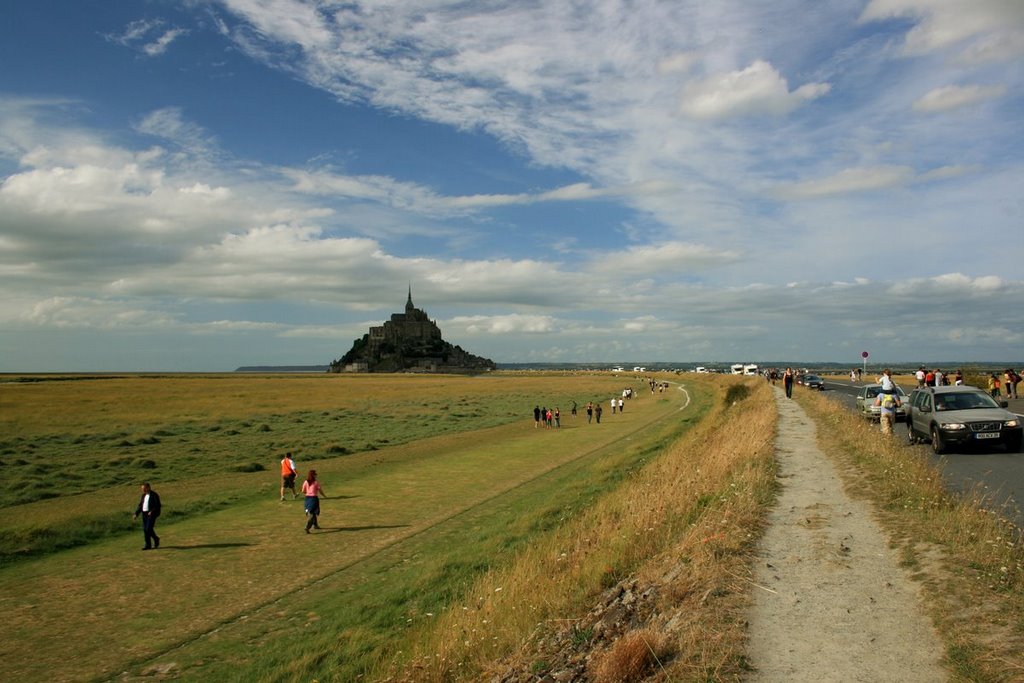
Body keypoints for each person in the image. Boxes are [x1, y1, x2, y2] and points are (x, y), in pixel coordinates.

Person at [133, 482, 161, 550]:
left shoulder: (154, 495)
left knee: (148, 529)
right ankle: (148, 545)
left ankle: (156, 539)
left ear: (148, 488)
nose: (143, 490)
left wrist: (152, 511)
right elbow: (140, 505)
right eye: (142, 489)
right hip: (144, 514)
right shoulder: (143, 496)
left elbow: (158, 505)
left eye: (144, 488)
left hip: (151, 514)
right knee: (145, 530)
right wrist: (136, 513)